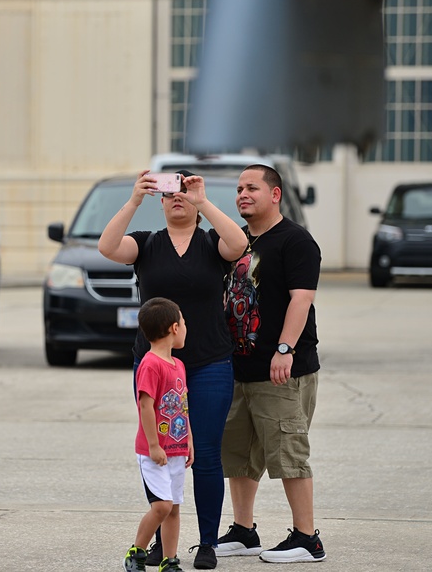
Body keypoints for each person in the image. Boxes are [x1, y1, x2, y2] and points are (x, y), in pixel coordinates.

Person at [100, 170, 248, 571]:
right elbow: (107, 247)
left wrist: (203, 201)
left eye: (184, 192)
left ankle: (207, 543)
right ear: (161, 201)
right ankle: (161, 543)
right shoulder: (147, 244)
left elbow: (239, 244)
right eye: (170, 193)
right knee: (161, 451)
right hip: (155, 365)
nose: (177, 197)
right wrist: (134, 199)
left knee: (207, 454)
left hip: (210, 362)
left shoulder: (211, 243)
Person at [218, 164, 325, 563]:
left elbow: (302, 298)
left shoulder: (296, 240)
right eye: (239, 189)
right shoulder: (236, 239)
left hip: (282, 370)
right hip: (239, 368)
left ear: (275, 194)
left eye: (252, 188)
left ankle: (307, 538)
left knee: (288, 452)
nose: (243, 195)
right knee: (239, 455)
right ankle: (244, 531)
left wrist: (285, 349)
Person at [123, 297, 193, 572]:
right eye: (184, 323)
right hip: (154, 453)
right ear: (174, 328)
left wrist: (189, 441)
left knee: (173, 507)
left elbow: (183, 407)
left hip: (176, 450)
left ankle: (169, 561)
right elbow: (145, 405)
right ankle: (137, 551)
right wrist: (154, 445)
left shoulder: (179, 365)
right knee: (162, 506)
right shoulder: (151, 364)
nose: (186, 328)